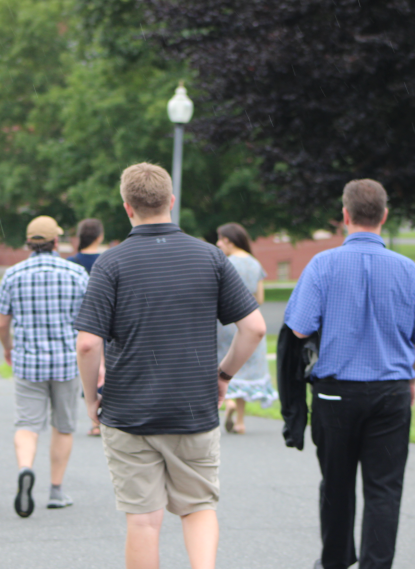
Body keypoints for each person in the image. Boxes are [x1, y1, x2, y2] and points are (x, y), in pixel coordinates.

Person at [75, 163, 266, 569]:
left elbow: (88, 344)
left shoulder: (111, 264)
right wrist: (223, 375)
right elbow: (254, 328)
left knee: (144, 521)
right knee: (198, 508)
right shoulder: (211, 257)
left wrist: (91, 399)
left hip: (129, 409)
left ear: (127, 207)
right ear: (171, 201)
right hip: (193, 406)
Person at [284, 179, 415, 569]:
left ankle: (336, 561)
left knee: (337, 488)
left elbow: (300, 329)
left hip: (335, 393)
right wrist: (411, 379)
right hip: (390, 393)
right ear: (385, 216)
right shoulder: (407, 270)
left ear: (345, 215)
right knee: (384, 490)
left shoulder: (322, 265)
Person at [0, 215, 89, 517]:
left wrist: (8, 349)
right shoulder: (76, 274)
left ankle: (25, 468)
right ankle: (57, 492)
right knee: (63, 427)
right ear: (57, 241)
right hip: (66, 363)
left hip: (28, 362)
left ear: (29, 242)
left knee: (27, 425)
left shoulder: (13, 274)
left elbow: (1, 323)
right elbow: (89, 323)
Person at [216, 222, 276, 434]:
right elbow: (259, 297)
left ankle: (228, 402)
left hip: (224, 322)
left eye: (220, 239)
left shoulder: (225, 262)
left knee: (225, 361)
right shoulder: (255, 263)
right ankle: (241, 421)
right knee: (243, 365)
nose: (217, 243)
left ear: (229, 241)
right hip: (248, 319)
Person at [67, 218, 106, 436]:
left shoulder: (71, 262)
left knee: (88, 367)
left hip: (80, 321)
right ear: (99, 236)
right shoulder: (106, 260)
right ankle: (104, 414)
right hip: (105, 320)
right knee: (106, 367)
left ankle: (94, 419)